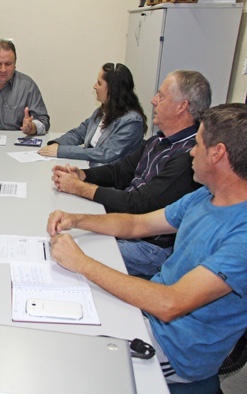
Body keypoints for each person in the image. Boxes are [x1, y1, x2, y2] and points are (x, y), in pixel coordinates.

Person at [47, 103, 247, 390]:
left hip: (175, 351)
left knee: (64, 362)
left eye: (198, 144)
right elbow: (136, 225)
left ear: (218, 154)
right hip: (149, 313)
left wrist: (82, 263)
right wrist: (77, 219)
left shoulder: (242, 236)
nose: (191, 151)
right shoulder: (206, 196)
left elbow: (171, 304)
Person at [51, 70, 211, 277]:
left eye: (161, 96)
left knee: (63, 251)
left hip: (149, 247)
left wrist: (81, 188)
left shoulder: (187, 156)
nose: (153, 101)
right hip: (127, 227)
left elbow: (139, 204)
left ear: (182, 106)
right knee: (62, 238)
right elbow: (121, 171)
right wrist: (83, 175)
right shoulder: (158, 140)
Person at [38, 63, 147, 167]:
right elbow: (78, 133)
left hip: (108, 180)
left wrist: (60, 151)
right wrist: (57, 144)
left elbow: (105, 153)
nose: (94, 86)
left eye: (99, 83)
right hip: (89, 168)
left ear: (112, 89)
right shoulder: (102, 111)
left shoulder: (132, 122)